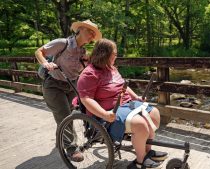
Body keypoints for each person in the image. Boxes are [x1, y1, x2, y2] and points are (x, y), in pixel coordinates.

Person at [77, 38, 168, 169]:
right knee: (141, 125)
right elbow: (86, 99)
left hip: (126, 105)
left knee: (154, 113)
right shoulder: (89, 74)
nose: (116, 56)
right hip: (107, 113)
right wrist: (104, 114)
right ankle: (139, 162)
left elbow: (122, 86)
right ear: (104, 54)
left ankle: (147, 151)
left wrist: (136, 97)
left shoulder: (111, 68)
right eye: (114, 54)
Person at [34, 20, 101, 162]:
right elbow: (39, 51)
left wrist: (87, 62)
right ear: (81, 29)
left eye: (94, 34)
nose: (91, 35)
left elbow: (81, 71)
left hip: (71, 86)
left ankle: (61, 139)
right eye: (90, 31)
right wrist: (45, 63)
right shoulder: (62, 43)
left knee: (66, 115)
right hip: (53, 85)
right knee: (65, 116)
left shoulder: (83, 52)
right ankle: (71, 149)